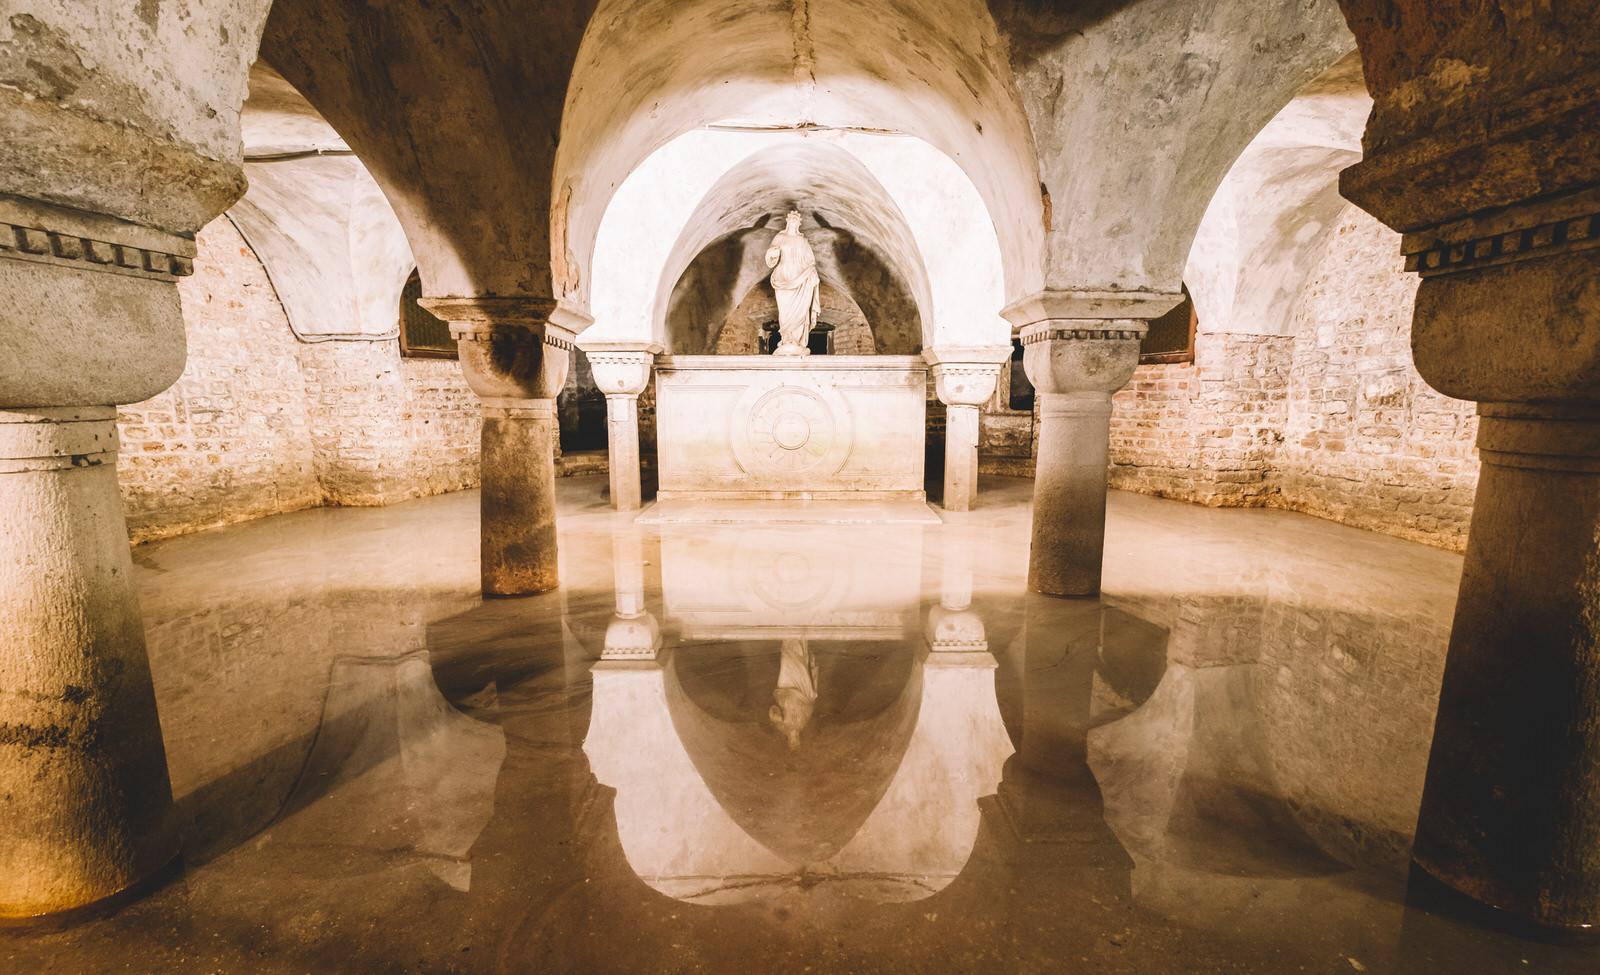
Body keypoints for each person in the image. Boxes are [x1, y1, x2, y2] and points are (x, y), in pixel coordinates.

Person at [764, 210, 820, 355]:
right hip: (783, 277)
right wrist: (773, 252)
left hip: (801, 278)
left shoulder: (803, 241)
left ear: (799, 223)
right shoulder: (780, 237)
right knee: (785, 312)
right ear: (787, 221)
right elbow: (770, 255)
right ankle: (786, 338)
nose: (793, 221)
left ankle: (797, 341)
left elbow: (811, 261)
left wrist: (812, 272)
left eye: (796, 219)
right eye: (791, 219)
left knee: (800, 311)